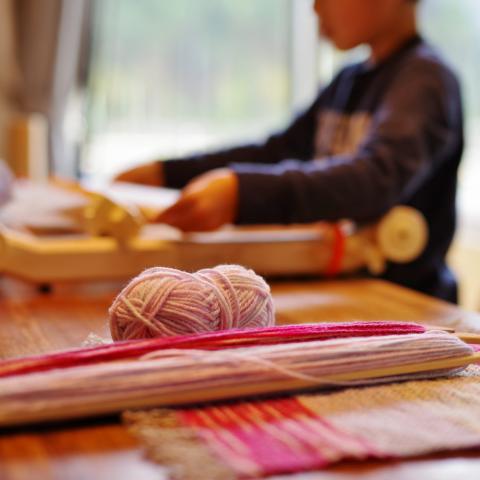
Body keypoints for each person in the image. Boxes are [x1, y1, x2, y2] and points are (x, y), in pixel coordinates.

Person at [116, 0, 464, 303]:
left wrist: (244, 193)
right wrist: (167, 173)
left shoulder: (425, 81)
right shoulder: (349, 81)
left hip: (409, 307)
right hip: (346, 293)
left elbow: (376, 177)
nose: (315, 8)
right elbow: (278, 150)